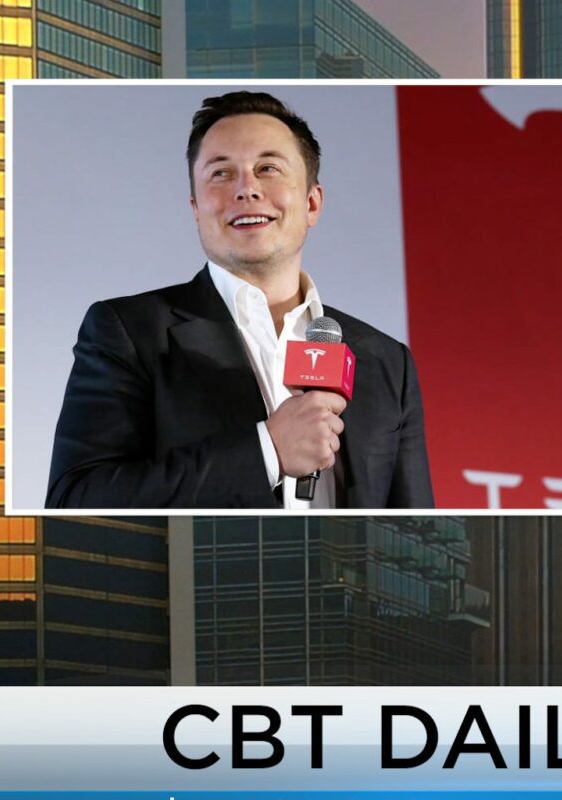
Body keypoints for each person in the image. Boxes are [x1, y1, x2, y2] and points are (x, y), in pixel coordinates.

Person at [46, 91, 433, 509]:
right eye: (221, 173)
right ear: (196, 208)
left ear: (312, 203)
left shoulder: (388, 362)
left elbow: (413, 520)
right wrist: (267, 450)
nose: (246, 189)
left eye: (268, 168)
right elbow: (75, 498)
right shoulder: (127, 331)